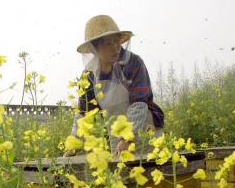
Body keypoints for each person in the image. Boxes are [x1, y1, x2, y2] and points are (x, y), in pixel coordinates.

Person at [66, 15, 164, 156]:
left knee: (151, 172)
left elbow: (139, 104)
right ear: (95, 48)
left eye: (116, 41)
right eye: (107, 44)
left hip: (145, 130)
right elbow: (84, 114)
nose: (115, 48)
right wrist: (73, 143)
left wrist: (127, 138)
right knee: (121, 176)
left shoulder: (133, 63)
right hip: (116, 135)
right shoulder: (89, 76)